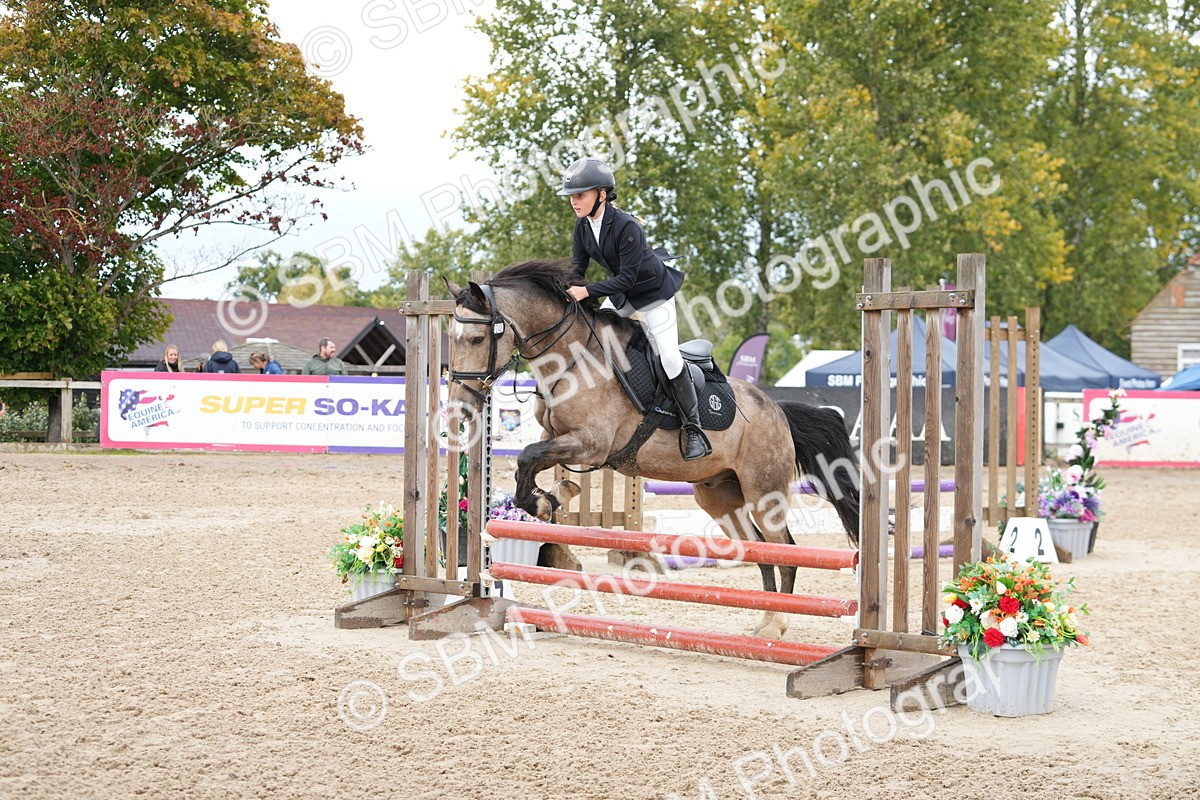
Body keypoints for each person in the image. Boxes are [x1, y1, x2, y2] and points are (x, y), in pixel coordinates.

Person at [558, 156, 711, 461]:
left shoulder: (626, 226)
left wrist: (586, 291)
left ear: (602, 194)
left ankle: (694, 428)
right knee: (593, 342)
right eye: (572, 196)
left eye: (580, 195)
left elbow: (627, 276)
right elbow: (578, 268)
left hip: (654, 294)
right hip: (623, 293)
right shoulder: (583, 228)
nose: (574, 201)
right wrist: (564, 288)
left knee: (668, 357)